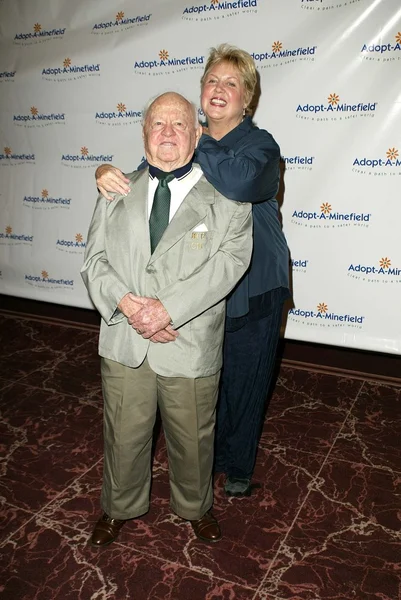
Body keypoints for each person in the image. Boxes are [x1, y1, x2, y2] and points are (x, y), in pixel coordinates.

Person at [95, 44, 290, 498]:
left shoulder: (259, 146)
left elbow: (239, 183)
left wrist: (195, 141)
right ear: (200, 90)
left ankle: (236, 466)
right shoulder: (187, 136)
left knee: (243, 382)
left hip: (252, 286)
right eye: (211, 81)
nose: (219, 90)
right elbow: (149, 172)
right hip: (199, 290)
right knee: (204, 383)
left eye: (232, 84)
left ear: (248, 98)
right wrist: (105, 170)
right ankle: (204, 462)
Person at [81, 92, 252, 547]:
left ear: (197, 135)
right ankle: (118, 507)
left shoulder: (226, 198)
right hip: (124, 338)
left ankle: (196, 508)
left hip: (188, 338)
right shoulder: (115, 189)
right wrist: (127, 304)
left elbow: (231, 261)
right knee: (122, 432)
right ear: (144, 134)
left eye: (180, 124)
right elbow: (94, 261)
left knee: (193, 436)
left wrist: (166, 309)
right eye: (159, 124)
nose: (169, 132)